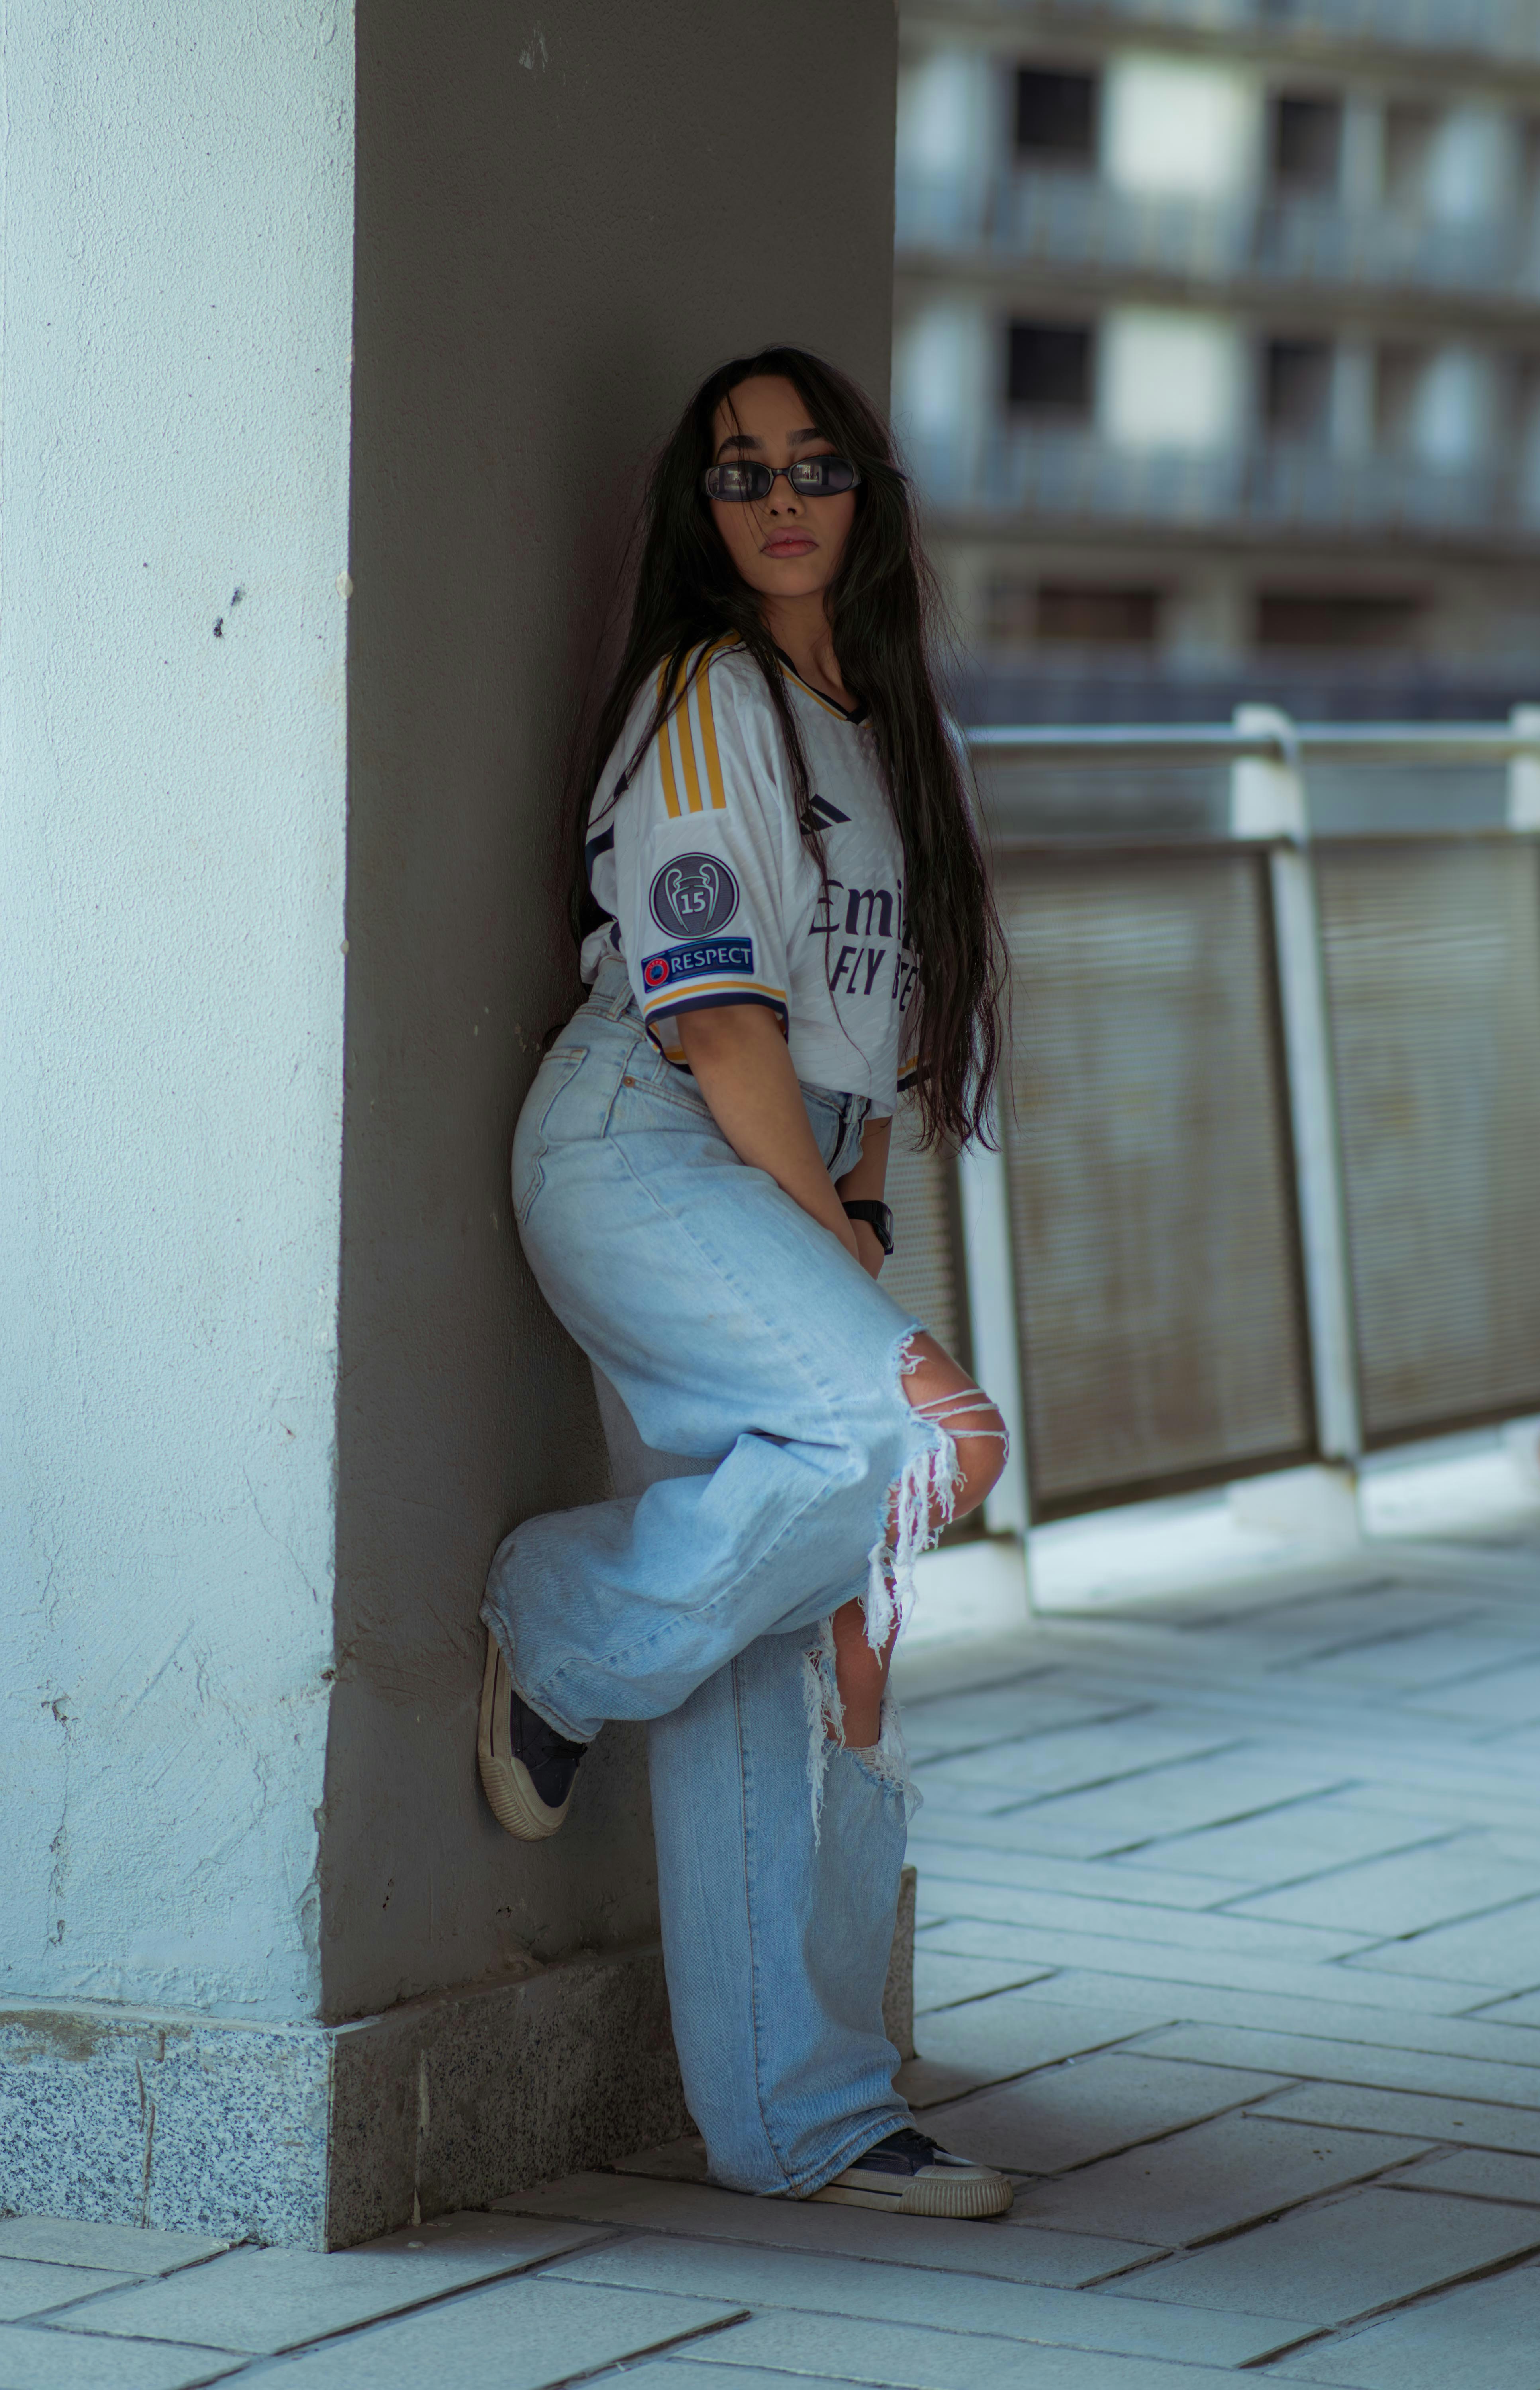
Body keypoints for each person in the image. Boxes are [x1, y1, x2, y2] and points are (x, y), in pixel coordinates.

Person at [479, 347, 1011, 2217]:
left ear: (865, 492)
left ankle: (800, 2114)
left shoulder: (885, 735)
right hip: (647, 1150)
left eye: (815, 465)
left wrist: (860, 1241)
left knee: (798, 1631)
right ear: (704, 521)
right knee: (932, 1443)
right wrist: (887, 1329)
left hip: (785, 1172)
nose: (781, 499)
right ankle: (564, 1613)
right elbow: (718, 1035)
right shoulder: (710, 697)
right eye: (739, 474)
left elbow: (867, 1072)